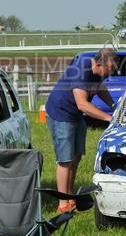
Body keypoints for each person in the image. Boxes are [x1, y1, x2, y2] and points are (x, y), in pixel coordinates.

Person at [45, 48, 117, 213]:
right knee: (65, 160)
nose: (110, 73)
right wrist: (109, 118)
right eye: (109, 69)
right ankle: (63, 204)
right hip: (61, 114)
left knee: (76, 157)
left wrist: (114, 107)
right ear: (99, 63)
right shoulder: (81, 70)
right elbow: (82, 104)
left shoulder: (97, 73)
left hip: (76, 116)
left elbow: (100, 88)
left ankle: (71, 197)